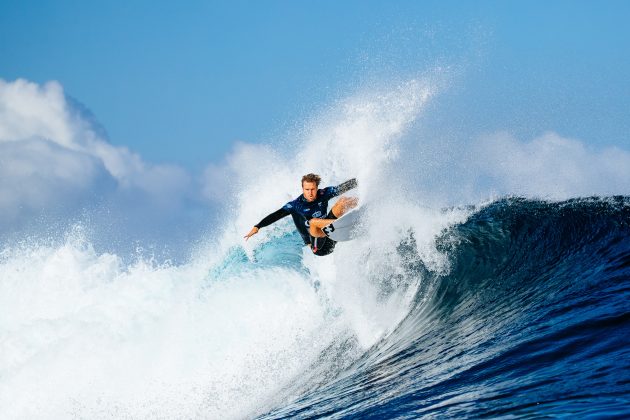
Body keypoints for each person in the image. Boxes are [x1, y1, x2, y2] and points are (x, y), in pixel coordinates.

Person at [244, 173, 358, 256]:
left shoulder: (324, 193)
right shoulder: (295, 205)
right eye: (307, 189)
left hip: (332, 231)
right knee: (313, 222)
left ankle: (364, 209)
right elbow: (276, 215)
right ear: (302, 188)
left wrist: (363, 180)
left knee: (343, 201)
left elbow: (343, 187)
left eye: (313, 189)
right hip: (320, 246)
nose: (310, 193)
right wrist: (258, 226)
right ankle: (344, 223)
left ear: (317, 188)